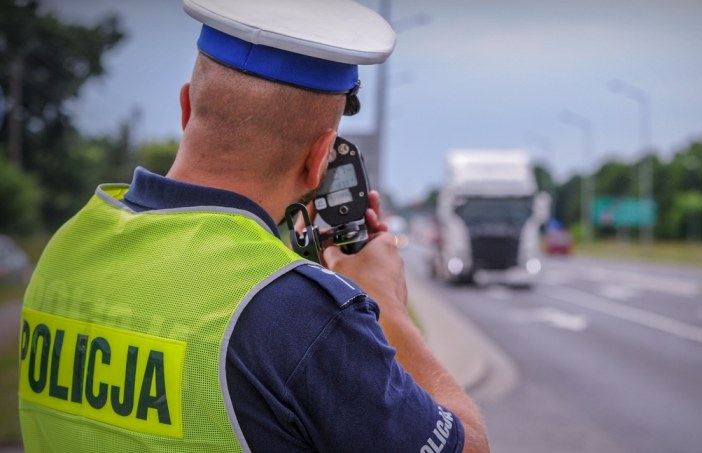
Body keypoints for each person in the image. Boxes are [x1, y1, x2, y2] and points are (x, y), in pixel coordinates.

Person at [17, 1, 489, 452]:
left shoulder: (67, 246)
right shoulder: (305, 315)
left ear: (186, 109)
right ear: (321, 157)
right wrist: (387, 306)